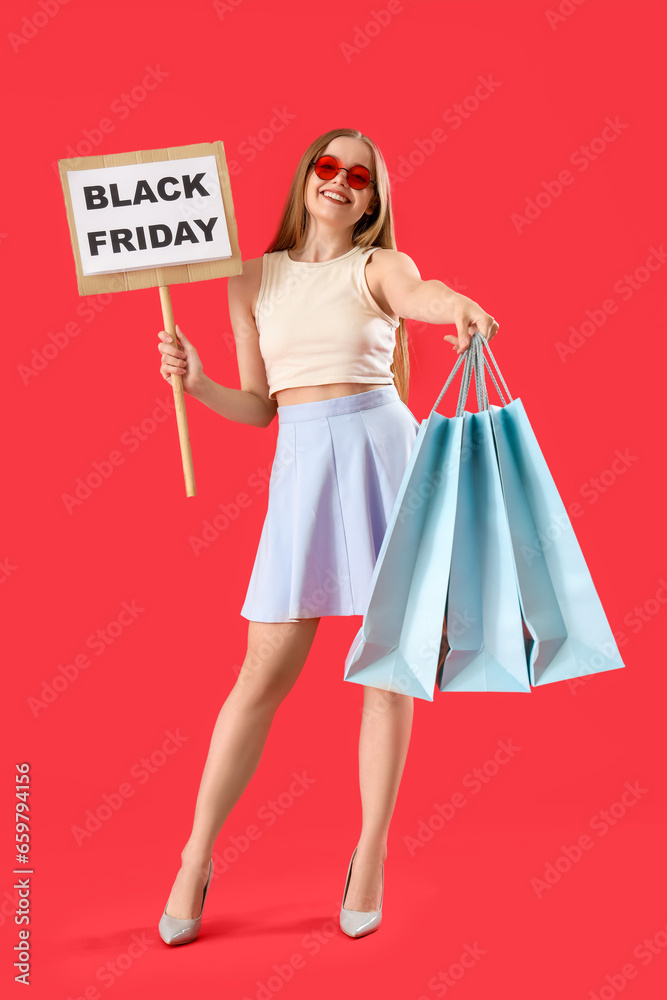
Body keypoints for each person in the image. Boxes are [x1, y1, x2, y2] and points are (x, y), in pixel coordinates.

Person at [156, 127, 499, 945]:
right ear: (306, 178)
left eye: (359, 175)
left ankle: (369, 853)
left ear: (372, 201)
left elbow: (426, 293)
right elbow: (260, 405)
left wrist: (461, 308)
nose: (339, 181)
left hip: (385, 456)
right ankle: (194, 856)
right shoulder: (251, 277)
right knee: (259, 672)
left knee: (387, 670)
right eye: (327, 166)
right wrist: (198, 383)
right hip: (303, 469)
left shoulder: (378, 266)